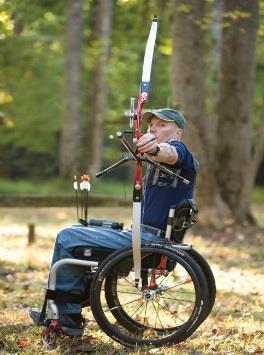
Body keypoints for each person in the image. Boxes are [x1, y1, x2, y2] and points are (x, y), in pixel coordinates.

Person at [30, 108, 198, 336]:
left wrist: (156, 148)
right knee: (78, 230)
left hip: (149, 239)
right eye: (151, 125)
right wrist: (151, 150)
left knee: (67, 236)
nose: (153, 128)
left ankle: (66, 314)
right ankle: (67, 307)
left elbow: (169, 153)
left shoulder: (181, 152)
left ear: (178, 132)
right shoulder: (157, 159)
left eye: (162, 125)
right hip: (143, 235)